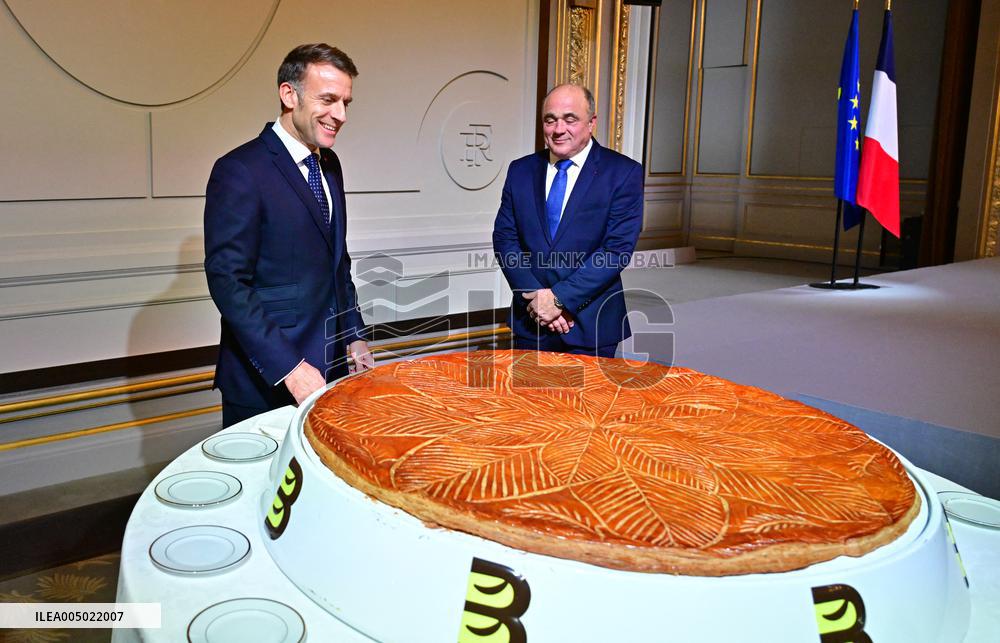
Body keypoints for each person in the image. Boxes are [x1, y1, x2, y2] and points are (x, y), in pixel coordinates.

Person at [204, 43, 373, 427]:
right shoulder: (240, 170)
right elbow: (228, 282)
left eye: (346, 102)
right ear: (288, 94)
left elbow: (337, 263)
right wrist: (290, 368)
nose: (340, 115)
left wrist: (354, 334)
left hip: (329, 369)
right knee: (265, 488)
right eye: (328, 99)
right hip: (265, 380)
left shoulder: (329, 165)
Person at [492, 84, 643, 358]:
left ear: (591, 123)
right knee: (529, 400)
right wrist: (538, 300)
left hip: (591, 323)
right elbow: (505, 239)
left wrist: (559, 299)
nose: (559, 128)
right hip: (531, 319)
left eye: (570, 118)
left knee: (589, 403)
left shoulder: (623, 172)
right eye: (550, 119)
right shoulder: (520, 170)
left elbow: (615, 250)